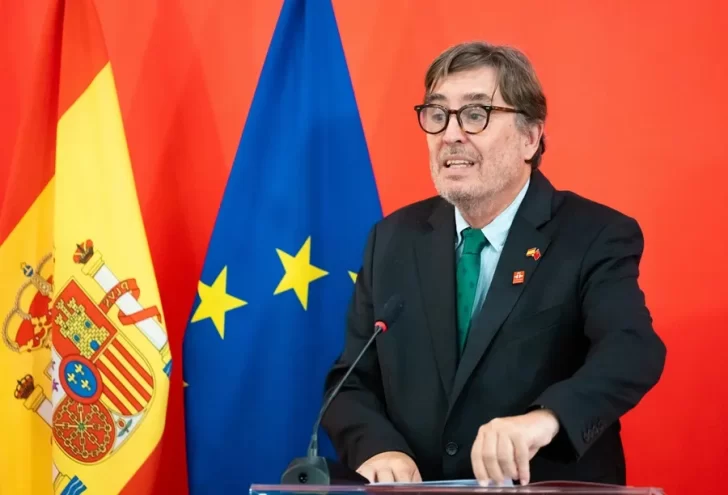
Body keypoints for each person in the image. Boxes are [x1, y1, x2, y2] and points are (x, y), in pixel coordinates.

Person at [320, 41, 666, 486]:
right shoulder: (392, 239)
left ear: (530, 137)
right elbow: (350, 382)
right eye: (438, 114)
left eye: (475, 114)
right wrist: (378, 447)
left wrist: (545, 418)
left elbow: (632, 350)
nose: (450, 134)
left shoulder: (593, 234)